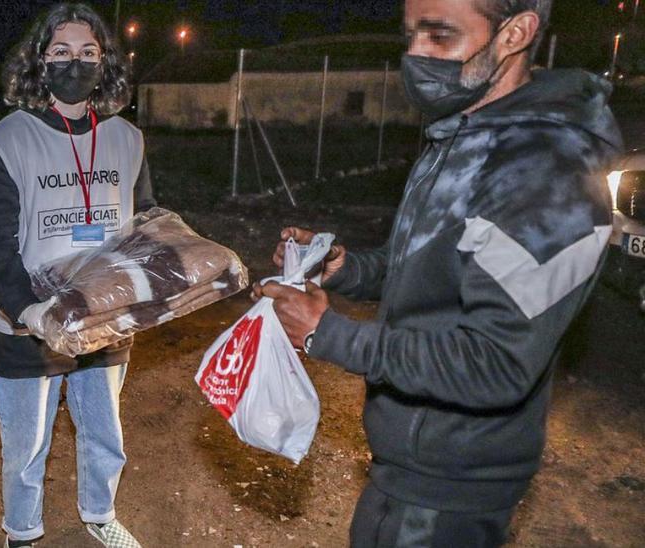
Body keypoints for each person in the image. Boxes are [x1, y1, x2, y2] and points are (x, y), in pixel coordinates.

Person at [257, 0, 622, 546]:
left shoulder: (544, 169)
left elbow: (496, 364)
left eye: (440, 35)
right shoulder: (466, 132)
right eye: (410, 35)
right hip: (410, 462)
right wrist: (348, 268)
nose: (416, 55)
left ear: (515, 33)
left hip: (452, 483)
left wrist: (327, 333)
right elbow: (433, 266)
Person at [0, 4, 154, 547]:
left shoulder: (127, 138)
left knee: (104, 430)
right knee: (27, 442)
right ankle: (22, 532)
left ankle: (100, 513)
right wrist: (30, 313)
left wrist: (156, 286)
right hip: (27, 318)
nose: (76, 63)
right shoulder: (5, 141)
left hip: (103, 314)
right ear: (39, 63)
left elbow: (144, 224)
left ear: (106, 63)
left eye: (88, 52)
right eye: (62, 52)